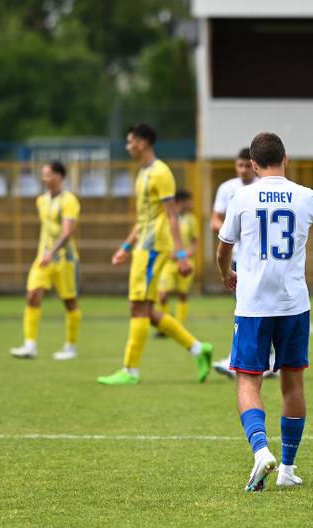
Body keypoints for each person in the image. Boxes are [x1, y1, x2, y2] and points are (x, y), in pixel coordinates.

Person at [217, 132, 313, 491]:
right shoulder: (306, 196)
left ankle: (260, 451)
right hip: (293, 305)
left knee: (247, 380)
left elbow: (224, 248)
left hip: (254, 304)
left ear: (253, 164)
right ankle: (287, 468)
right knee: (293, 382)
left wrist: (227, 275)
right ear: (286, 158)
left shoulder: (241, 197)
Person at [98, 123, 213, 385]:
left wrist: (182, 255)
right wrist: (126, 247)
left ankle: (130, 370)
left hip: (154, 248)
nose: (128, 147)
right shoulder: (142, 175)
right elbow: (143, 220)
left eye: (130, 142)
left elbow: (171, 216)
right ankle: (198, 349)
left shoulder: (161, 173)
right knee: (145, 309)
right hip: (143, 247)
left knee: (138, 306)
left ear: (143, 143)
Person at [209, 149, 277, 380]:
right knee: (247, 305)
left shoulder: (264, 188)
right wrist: (230, 230)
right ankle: (261, 358)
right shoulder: (228, 189)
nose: (243, 170)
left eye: (247, 166)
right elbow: (214, 219)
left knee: (250, 306)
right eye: (239, 166)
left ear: (253, 165)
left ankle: (247, 359)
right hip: (236, 257)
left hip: (258, 258)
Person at [11, 161, 82, 361]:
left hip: (65, 260)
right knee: (32, 295)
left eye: (48, 174)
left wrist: (53, 251)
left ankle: (70, 347)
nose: (44, 178)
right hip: (43, 258)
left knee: (70, 302)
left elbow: (68, 232)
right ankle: (30, 345)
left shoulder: (70, 201)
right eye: (43, 175)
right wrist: (46, 253)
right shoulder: (41, 200)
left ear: (59, 176)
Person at [155, 190, 199, 332]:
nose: (192, 204)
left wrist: (185, 254)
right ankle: (164, 326)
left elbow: (195, 242)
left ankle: (178, 326)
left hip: (186, 262)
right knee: (162, 294)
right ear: (181, 202)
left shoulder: (192, 220)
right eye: (189, 201)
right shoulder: (165, 218)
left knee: (183, 294)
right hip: (168, 262)